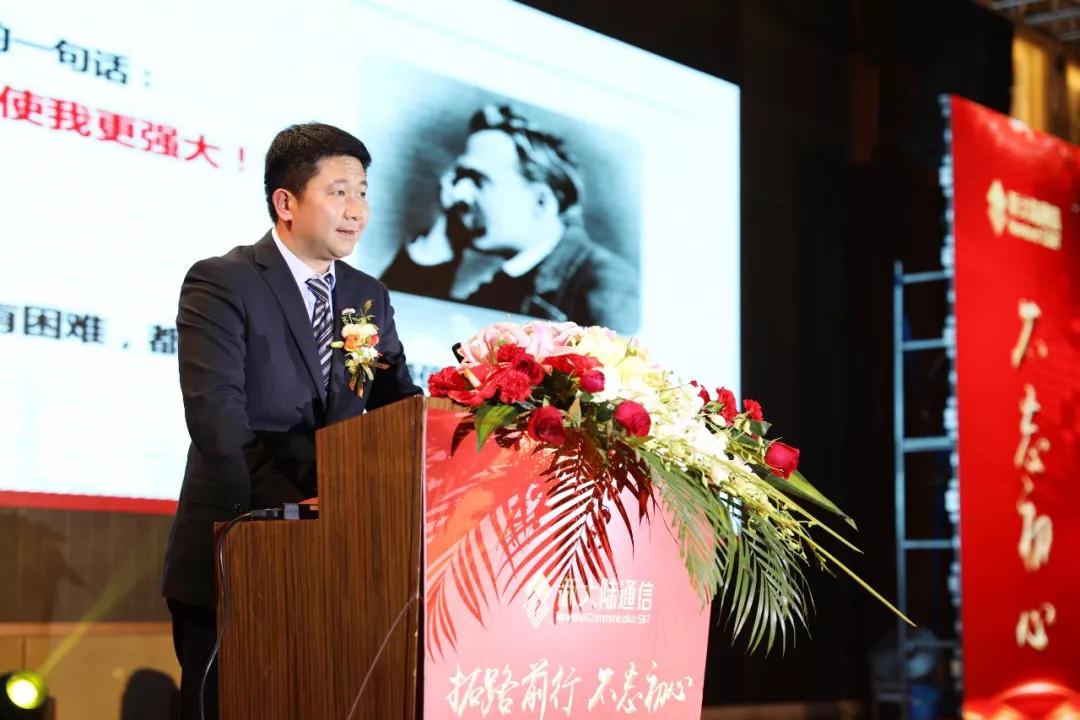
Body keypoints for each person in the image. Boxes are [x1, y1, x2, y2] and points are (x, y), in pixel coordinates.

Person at [160, 123, 422, 720]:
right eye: (339, 192)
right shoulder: (222, 281)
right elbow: (216, 415)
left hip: (337, 566)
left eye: (362, 192)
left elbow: (397, 408)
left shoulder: (367, 295)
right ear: (286, 202)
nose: (357, 210)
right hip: (238, 551)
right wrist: (299, 510)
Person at [380, 104, 640, 334]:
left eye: (478, 180)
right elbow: (388, 334)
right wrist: (444, 238)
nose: (458, 194)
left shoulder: (607, 283)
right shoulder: (503, 287)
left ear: (541, 201)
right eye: (460, 178)